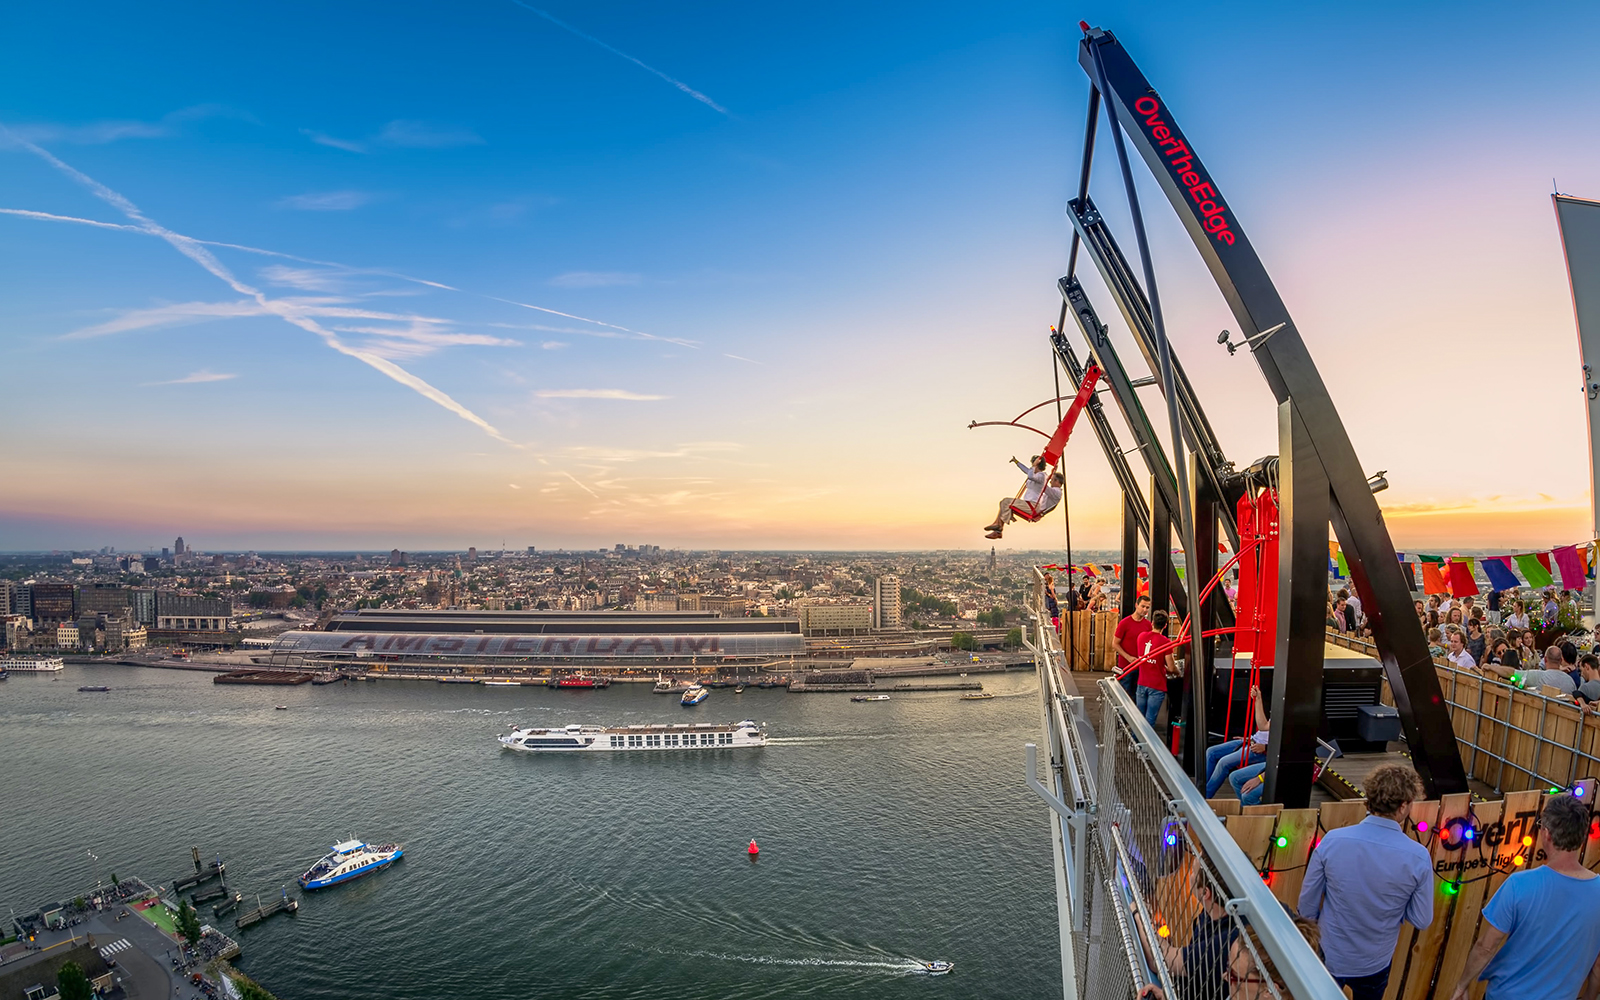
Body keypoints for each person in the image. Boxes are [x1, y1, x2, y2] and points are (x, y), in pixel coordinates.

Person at [1299, 765, 1432, 1000]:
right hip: (1374, 962)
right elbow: (1422, 919)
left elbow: (1307, 905)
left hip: (1329, 952)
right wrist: (1396, 909)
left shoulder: (1332, 841)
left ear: (1369, 800)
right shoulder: (1418, 856)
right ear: (1403, 807)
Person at [1448, 794, 1600, 1000]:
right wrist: (1591, 996)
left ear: (1546, 834)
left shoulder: (1519, 884)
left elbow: (1486, 946)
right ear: (1582, 837)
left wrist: (1462, 985)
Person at [1205, 685, 1269, 798]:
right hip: (1253, 740)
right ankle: (1202, 787)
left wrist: (1266, 747)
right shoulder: (1281, 707)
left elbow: (1264, 727)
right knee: (1211, 752)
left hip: (1259, 748)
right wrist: (1258, 699)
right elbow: (1264, 726)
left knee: (1223, 763)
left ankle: (1204, 796)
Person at [984, 457, 1059, 538]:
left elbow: (1030, 476)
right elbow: (1026, 471)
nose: (1031, 466)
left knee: (1006, 502)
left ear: (1037, 464)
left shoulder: (1042, 476)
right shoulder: (1036, 474)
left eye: (1033, 464)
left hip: (1032, 506)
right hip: (1028, 504)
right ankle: (998, 528)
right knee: (1003, 502)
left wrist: (1034, 465)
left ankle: (998, 527)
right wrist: (1016, 462)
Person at [1135, 611, 1180, 727]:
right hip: (1157, 685)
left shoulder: (1141, 636)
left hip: (1142, 682)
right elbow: (1171, 667)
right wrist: (1178, 672)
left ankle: (1135, 742)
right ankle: (1144, 743)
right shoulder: (1165, 642)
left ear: (1152, 623)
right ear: (1165, 626)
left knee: (1138, 717)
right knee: (1150, 718)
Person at [1113, 595, 1154, 699]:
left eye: (1147, 607)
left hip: (1141, 667)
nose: (1145, 610)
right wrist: (1128, 657)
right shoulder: (1125, 623)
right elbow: (1115, 644)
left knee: (1139, 697)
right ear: (1136, 605)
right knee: (1124, 697)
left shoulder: (1148, 625)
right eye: (1143, 606)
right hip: (1126, 666)